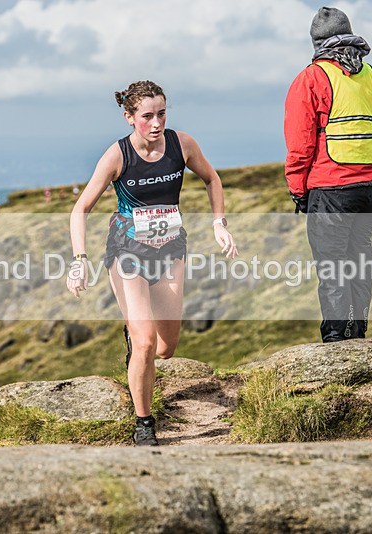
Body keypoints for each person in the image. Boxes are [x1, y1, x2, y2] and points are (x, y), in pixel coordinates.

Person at [67, 80, 238, 446]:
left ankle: (136, 335)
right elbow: (81, 208)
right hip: (127, 251)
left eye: (162, 113)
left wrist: (218, 223)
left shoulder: (182, 144)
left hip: (171, 249)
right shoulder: (117, 156)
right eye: (147, 116)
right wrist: (79, 259)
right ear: (129, 118)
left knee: (165, 347)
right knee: (145, 344)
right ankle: (144, 424)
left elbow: (212, 179)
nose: (156, 123)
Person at [284, 7, 372, 343]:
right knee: (360, 258)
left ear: (316, 43)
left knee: (332, 266)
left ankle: (336, 340)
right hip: (370, 188)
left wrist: (298, 191)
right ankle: (358, 330)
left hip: (331, 188)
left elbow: (300, 145)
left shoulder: (311, 79)